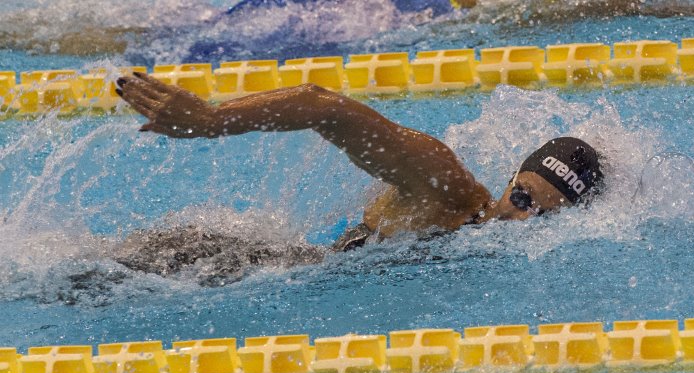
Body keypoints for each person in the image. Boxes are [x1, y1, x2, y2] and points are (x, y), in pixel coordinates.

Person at [116, 72, 604, 252]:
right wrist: (208, 120)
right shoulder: (446, 188)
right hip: (230, 261)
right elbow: (320, 105)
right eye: (522, 198)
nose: (521, 218)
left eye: (541, 215)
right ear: (511, 180)